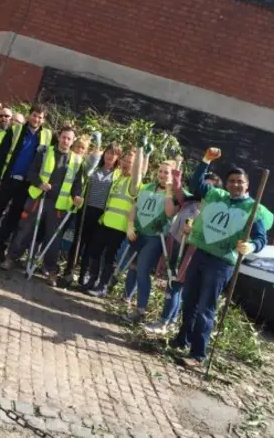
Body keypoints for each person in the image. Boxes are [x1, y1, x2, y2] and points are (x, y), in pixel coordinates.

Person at [171, 147, 271, 368]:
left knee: (206, 307)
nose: (235, 184)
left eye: (240, 181)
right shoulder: (217, 196)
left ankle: (198, 354)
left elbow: (261, 238)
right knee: (189, 300)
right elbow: (196, 185)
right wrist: (205, 160)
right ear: (226, 184)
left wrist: (251, 246)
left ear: (247, 185)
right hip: (200, 254)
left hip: (221, 263)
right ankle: (182, 338)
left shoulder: (252, 209)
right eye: (232, 181)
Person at [0, 124, 85, 286]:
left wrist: (77, 196)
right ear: (59, 137)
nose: (65, 141)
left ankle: (50, 271)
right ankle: (11, 258)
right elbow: (31, 172)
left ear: (72, 141)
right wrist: (39, 183)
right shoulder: (45, 152)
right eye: (63, 137)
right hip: (38, 198)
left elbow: (77, 185)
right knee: (24, 229)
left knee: (53, 238)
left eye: (69, 138)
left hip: (58, 205)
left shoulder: (77, 161)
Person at [144, 169, 223, 334]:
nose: (204, 189)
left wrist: (192, 231)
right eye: (203, 185)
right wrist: (176, 178)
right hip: (175, 246)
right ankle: (171, 320)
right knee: (173, 286)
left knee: (175, 286)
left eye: (209, 187)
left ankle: (163, 322)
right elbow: (178, 191)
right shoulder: (189, 202)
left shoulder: (211, 209)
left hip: (188, 252)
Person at [0, 104, 53, 261]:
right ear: (30, 115)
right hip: (8, 179)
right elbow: (0, 153)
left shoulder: (48, 136)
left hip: (27, 184)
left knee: (13, 218)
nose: (37, 119)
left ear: (43, 120)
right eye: (35, 115)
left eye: (40, 117)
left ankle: (0, 249)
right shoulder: (15, 130)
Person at [81, 138, 150, 295]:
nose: (126, 163)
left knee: (109, 258)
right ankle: (92, 280)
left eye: (130, 162)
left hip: (119, 227)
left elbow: (140, 171)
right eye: (125, 159)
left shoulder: (134, 184)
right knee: (94, 251)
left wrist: (142, 152)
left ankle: (102, 287)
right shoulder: (117, 176)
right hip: (105, 222)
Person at [119, 159, 181, 318]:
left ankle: (140, 310)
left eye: (166, 172)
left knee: (142, 270)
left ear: (172, 174)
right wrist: (130, 225)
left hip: (155, 237)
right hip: (139, 233)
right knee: (132, 267)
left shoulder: (175, 193)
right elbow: (135, 207)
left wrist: (169, 192)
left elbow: (169, 213)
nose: (162, 175)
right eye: (160, 171)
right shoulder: (147, 187)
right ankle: (126, 298)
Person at [63, 142, 122, 283]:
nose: (110, 155)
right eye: (108, 152)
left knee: (91, 247)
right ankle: (68, 272)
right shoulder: (94, 168)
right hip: (85, 210)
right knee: (78, 241)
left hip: (101, 214)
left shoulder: (118, 175)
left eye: (114, 153)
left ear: (118, 157)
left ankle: (83, 276)